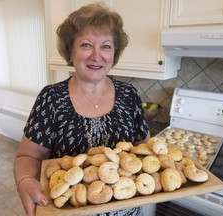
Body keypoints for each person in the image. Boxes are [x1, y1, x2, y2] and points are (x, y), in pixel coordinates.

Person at [13, 3, 150, 216]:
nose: (96, 56)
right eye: (86, 45)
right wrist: (25, 181)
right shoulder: (51, 98)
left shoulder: (129, 95)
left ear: (115, 52)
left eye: (106, 46)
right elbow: (27, 157)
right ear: (70, 50)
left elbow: (144, 149)